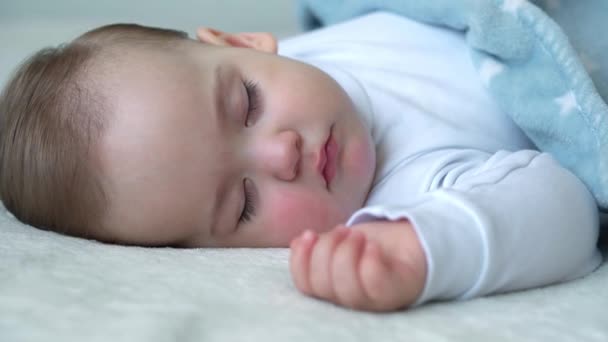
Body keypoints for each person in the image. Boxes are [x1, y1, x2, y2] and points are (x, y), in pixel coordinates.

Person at [0, 11, 602, 312]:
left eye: (246, 104)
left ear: (241, 44)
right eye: (245, 203)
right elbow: (570, 211)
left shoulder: (330, 38)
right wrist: (429, 249)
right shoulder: (414, 194)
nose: (281, 153)